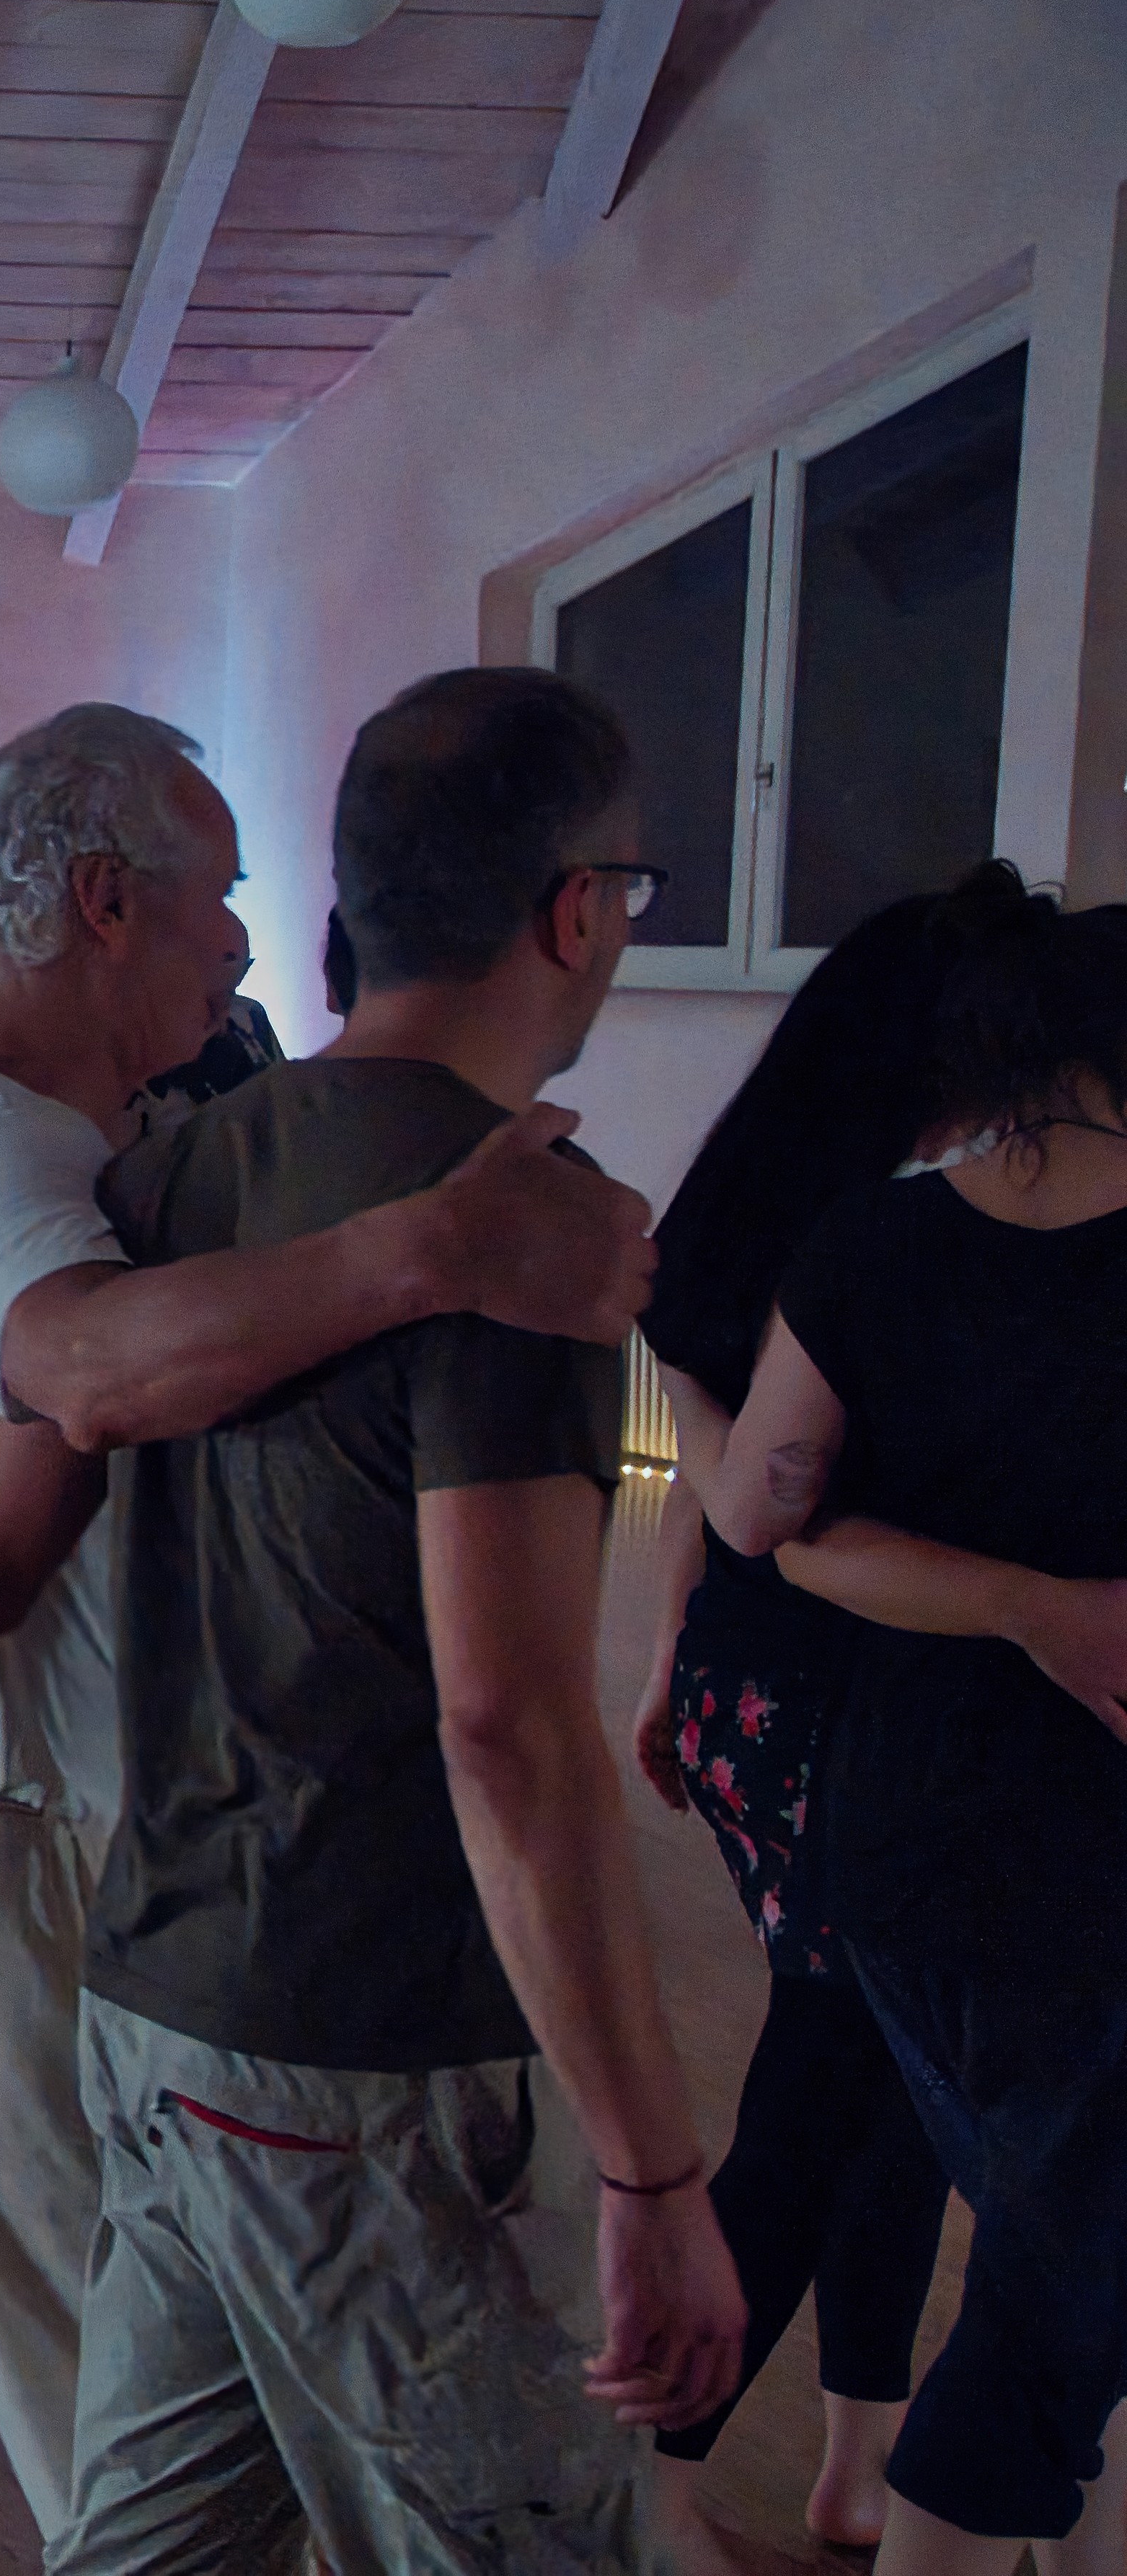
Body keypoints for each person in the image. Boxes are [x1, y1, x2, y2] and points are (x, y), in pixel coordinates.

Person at [0, 701, 665, 2573]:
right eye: (217, 899)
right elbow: (94, 1377)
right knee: (112, 2449)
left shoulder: (63, 1150)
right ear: (106, 903)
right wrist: (434, 1248)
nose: (245, 947)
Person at [51, 668, 744, 2575]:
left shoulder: (196, 1155)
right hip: (362, 2054)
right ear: (579, 911)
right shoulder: (527, 1222)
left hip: (160, 1996)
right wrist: (649, 2167)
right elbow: (507, 1729)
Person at [715, 889, 1127, 2576]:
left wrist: (1009, 1593)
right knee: (1051, 2282)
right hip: (1085, 1856)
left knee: (1056, 2237)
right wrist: (1052, 1604)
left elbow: (759, 1513)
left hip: (888, 1834)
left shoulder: (870, 1243)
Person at [629, 871, 1011, 2569]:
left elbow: (701, 1495)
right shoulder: (894, 1237)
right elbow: (750, 1501)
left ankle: (855, 2450)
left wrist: (663, 1667)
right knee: (832, 2080)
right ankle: (646, 2472)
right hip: (831, 1717)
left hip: (750, 1700)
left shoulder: (759, 1212)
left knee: (870, 2076)